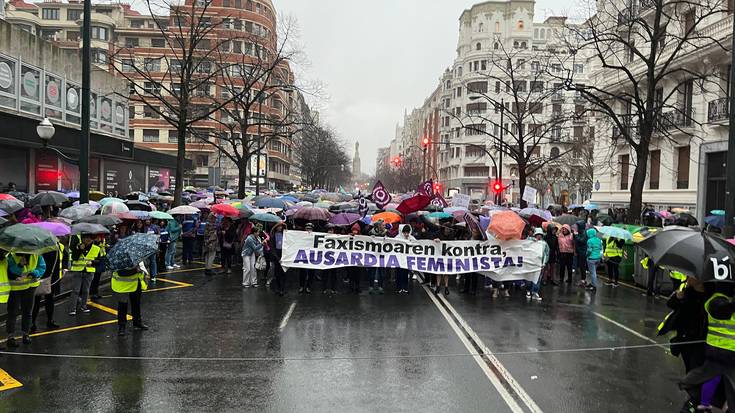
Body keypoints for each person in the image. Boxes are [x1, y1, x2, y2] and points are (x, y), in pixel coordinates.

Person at [6, 252, 46, 347]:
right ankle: (10, 337)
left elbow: (42, 267)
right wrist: (20, 265)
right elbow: (10, 271)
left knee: (27, 311)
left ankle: (26, 334)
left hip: (30, 287)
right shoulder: (12, 256)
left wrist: (34, 273)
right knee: (13, 312)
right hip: (15, 288)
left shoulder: (36, 255)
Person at [31, 238, 67, 332]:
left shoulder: (60, 246)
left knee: (49, 300)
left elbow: (65, 256)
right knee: (36, 301)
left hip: (52, 278)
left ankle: (49, 320)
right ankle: (32, 323)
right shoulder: (42, 247)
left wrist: (65, 267)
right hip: (41, 277)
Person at [112, 261, 149, 337]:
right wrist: (136, 270)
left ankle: (137, 322)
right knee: (123, 306)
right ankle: (122, 327)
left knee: (136, 304)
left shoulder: (136, 255)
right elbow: (121, 273)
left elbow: (146, 263)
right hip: (122, 286)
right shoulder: (119, 258)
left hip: (135, 284)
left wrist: (143, 267)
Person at [68, 234, 101, 315]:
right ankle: (72, 309)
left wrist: (93, 262)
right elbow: (74, 258)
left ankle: (84, 306)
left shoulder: (96, 248)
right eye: (86, 239)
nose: (88, 241)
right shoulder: (78, 246)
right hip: (78, 270)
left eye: (89, 239)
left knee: (86, 290)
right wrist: (79, 249)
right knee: (76, 290)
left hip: (89, 271)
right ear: (82, 239)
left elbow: (99, 260)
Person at [526, 228, 548, 301]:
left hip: (539, 264)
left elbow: (546, 254)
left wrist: (544, 263)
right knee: (529, 278)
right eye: (537, 235)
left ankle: (535, 292)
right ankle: (528, 291)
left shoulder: (544, 244)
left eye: (540, 235)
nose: (539, 236)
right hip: (531, 263)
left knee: (537, 279)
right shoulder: (530, 241)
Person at [462, 227, 483, 295]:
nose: (473, 233)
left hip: (475, 259)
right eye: (473, 231)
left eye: (475, 232)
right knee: (467, 275)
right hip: (468, 258)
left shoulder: (480, 240)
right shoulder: (469, 237)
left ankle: (473, 289)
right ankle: (466, 288)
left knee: (474, 275)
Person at [368, 220, 388, 294]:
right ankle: (371, 286)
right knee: (372, 272)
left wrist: (387, 238)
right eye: (383, 225)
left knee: (381, 273)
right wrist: (371, 237)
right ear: (379, 226)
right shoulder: (371, 232)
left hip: (382, 255)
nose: (384, 226)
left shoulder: (386, 232)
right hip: (373, 255)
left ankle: (380, 286)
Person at [396, 225, 415, 294]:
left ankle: (405, 287)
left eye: (407, 233)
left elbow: (418, 245)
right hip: (399, 259)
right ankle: (399, 288)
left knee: (405, 274)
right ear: (402, 232)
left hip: (407, 260)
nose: (406, 234)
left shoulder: (412, 238)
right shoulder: (398, 237)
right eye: (405, 233)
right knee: (398, 274)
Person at [269, 222, 286, 296]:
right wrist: (277, 258)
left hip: (283, 255)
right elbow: (272, 248)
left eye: (281, 226)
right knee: (277, 273)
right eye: (279, 226)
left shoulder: (285, 235)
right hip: (276, 255)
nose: (280, 228)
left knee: (283, 272)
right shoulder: (273, 236)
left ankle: (282, 289)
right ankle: (278, 287)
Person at [299, 223, 316, 294]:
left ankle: (309, 286)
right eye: (307, 229)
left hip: (312, 257)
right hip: (303, 256)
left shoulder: (315, 236)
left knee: (311, 273)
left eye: (310, 229)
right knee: (302, 272)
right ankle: (302, 286)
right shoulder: (300, 236)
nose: (308, 230)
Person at [585, 228, 602, 293]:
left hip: (591, 259)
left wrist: (586, 255)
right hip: (598, 258)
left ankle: (594, 286)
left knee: (593, 273)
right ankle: (592, 283)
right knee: (594, 272)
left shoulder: (589, 241)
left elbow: (589, 250)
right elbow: (600, 248)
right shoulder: (598, 240)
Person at [348, 223, 363, 294]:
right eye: (353, 230)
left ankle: (357, 287)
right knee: (351, 274)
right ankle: (351, 288)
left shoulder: (362, 237)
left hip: (358, 259)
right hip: (351, 259)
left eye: (356, 230)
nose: (354, 231)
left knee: (358, 275)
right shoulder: (348, 236)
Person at [574, 222, 588, 287]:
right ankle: (582, 280)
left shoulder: (584, 233)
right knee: (580, 266)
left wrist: (576, 235)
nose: (576, 227)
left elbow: (582, 241)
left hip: (582, 252)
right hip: (579, 252)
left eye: (577, 226)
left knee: (582, 267)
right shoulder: (579, 232)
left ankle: (583, 280)